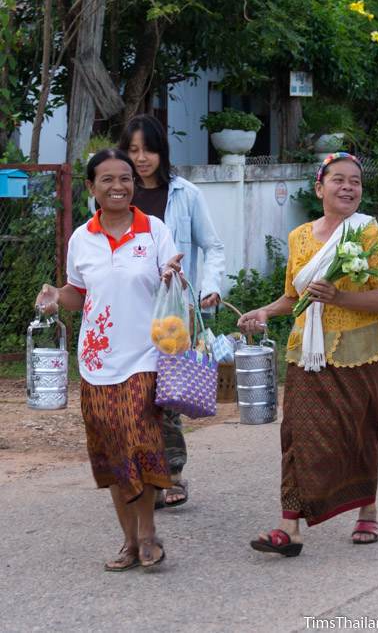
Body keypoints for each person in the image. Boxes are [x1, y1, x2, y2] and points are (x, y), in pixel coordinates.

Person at [238, 152, 378, 556]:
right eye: (339, 179)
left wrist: (341, 296)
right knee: (295, 435)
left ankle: (367, 510)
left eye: (355, 181)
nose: (348, 187)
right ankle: (289, 527)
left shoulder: (367, 235)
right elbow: (293, 296)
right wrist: (264, 311)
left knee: (361, 431)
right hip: (308, 354)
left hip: (361, 352)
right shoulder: (300, 237)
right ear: (320, 187)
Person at [35, 148, 183, 571]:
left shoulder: (154, 231)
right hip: (97, 360)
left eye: (126, 178)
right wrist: (53, 298)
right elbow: (78, 294)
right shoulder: (82, 238)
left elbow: (171, 283)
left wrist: (173, 274)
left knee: (139, 440)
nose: (118, 186)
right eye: (107, 179)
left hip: (145, 356)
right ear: (91, 187)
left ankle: (149, 532)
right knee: (112, 452)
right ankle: (129, 541)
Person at [119, 114, 225, 508]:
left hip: (172, 312)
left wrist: (209, 287)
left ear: (162, 152)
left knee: (166, 392)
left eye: (148, 149)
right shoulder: (117, 194)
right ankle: (141, 471)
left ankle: (173, 472)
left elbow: (212, 246)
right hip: (127, 309)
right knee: (131, 391)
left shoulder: (185, 194)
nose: (141, 158)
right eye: (133, 150)